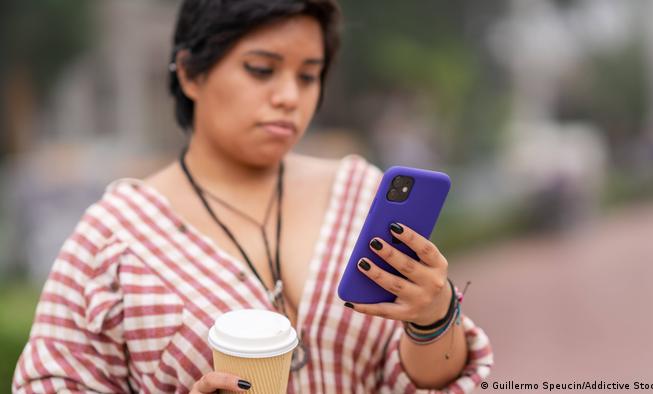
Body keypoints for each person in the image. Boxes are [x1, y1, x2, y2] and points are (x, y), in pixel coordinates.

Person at [13, 0, 493, 392]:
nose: (289, 96)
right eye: (262, 70)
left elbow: (428, 380)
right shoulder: (115, 235)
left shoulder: (361, 196)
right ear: (189, 74)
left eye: (308, 76)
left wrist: (432, 318)